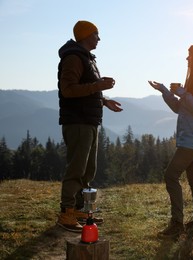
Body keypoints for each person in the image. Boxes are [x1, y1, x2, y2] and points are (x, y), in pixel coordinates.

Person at [148, 41, 193, 239]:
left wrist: (182, 93)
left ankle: (177, 223)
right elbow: (181, 107)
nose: (187, 58)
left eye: (190, 55)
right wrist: (165, 91)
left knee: (171, 175)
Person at [56, 20, 123, 232]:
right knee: (76, 168)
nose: (99, 39)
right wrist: (98, 85)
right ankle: (67, 213)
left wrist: (103, 100)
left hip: (88, 121)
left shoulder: (86, 58)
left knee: (87, 169)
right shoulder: (74, 58)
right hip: (78, 122)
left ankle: (78, 209)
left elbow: (85, 89)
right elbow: (68, 90)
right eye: (96, 34)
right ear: (86, 35)